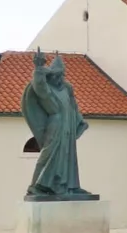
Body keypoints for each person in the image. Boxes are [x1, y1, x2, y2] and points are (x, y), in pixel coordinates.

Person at [22, 51, 97, 200]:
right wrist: (39, 67)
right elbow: (40, 87)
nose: (58, 78)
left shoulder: (67, 88)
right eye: (55, 74)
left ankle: (70, 187)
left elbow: (73, 105)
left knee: (68, 156)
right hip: (55, 125)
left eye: (61, 74)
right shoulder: (47, 88)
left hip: (68, 124)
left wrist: (79, 120)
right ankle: (37, 186)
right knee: (49, 153)